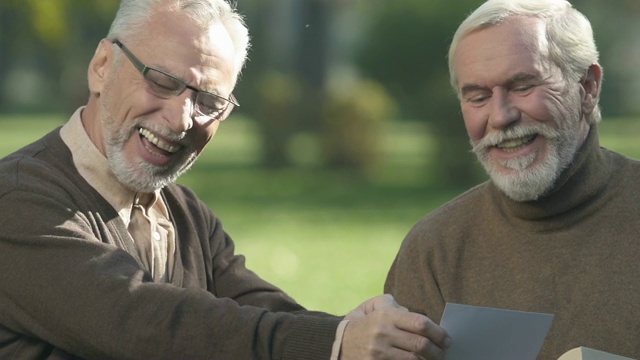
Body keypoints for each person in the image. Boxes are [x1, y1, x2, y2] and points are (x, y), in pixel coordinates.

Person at [0, 0, 452, 359]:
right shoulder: (18, 199)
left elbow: (262, 314)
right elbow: (141, 323)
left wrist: (354, 330)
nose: (181, 118)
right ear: (101, 66)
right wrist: (334, 343)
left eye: (209, 101)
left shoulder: (186, 214)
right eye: (161, 81)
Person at [384, 0, 640, 358]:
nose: (500, 116)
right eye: (478, 96)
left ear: (587, 86)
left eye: (523, 86)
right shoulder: (436, 249)